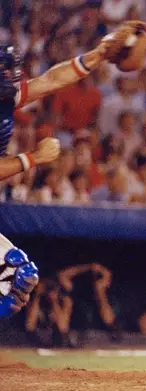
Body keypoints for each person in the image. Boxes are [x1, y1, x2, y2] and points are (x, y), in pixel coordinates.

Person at [0, 34, 123, 320]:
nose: (8, 77)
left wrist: (98, 54)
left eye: (9, 70)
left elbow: (51, 80)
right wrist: (32, 158)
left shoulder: (7, 98)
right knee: (16, 272)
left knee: (22, 276)